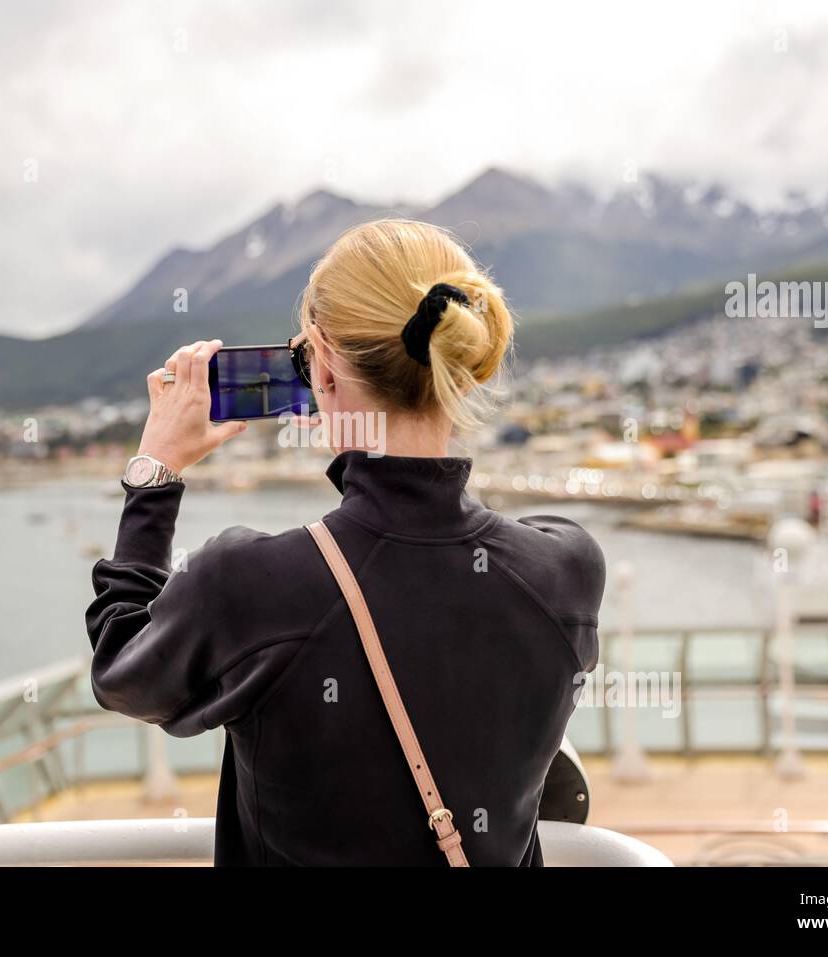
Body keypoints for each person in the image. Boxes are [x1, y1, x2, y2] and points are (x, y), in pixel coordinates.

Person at [86, 219, 605, 865]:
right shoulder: (566, 569)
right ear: (462, 365)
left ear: (324, 369)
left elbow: (122, 671)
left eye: (305, 357)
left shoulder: (249, 581)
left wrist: (154, 473)